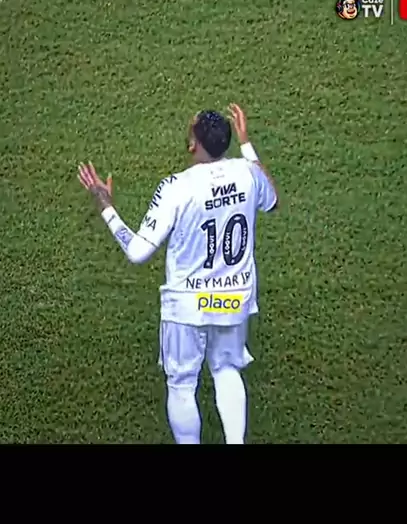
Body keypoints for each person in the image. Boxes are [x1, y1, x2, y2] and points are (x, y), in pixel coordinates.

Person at [78, 103, 278, 444]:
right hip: (234, 295)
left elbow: (138, 251)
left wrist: (106, 206)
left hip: (188, 304)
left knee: (182, 384)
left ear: (193, 144)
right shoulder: (248, 173)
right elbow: (271, 199)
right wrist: (247, 145)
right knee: (226, 368)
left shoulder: (177, 187)